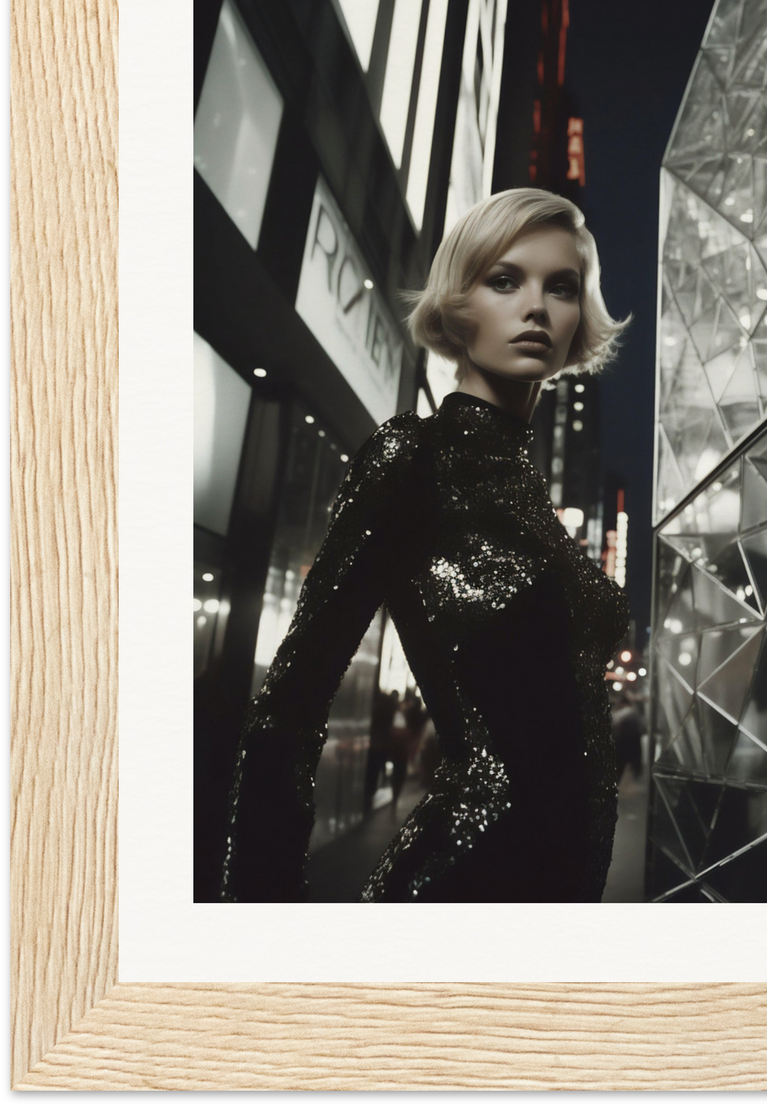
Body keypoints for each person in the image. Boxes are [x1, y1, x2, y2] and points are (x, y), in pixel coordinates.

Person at [220, 188, 631, 902]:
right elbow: (289, 707)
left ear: (577, 319)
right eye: (505, 279)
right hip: (463, 885)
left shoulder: (532, 498)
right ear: (458, 302)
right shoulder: (414, 459)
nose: (536, 306)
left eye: (560, 287)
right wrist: (262, 927)